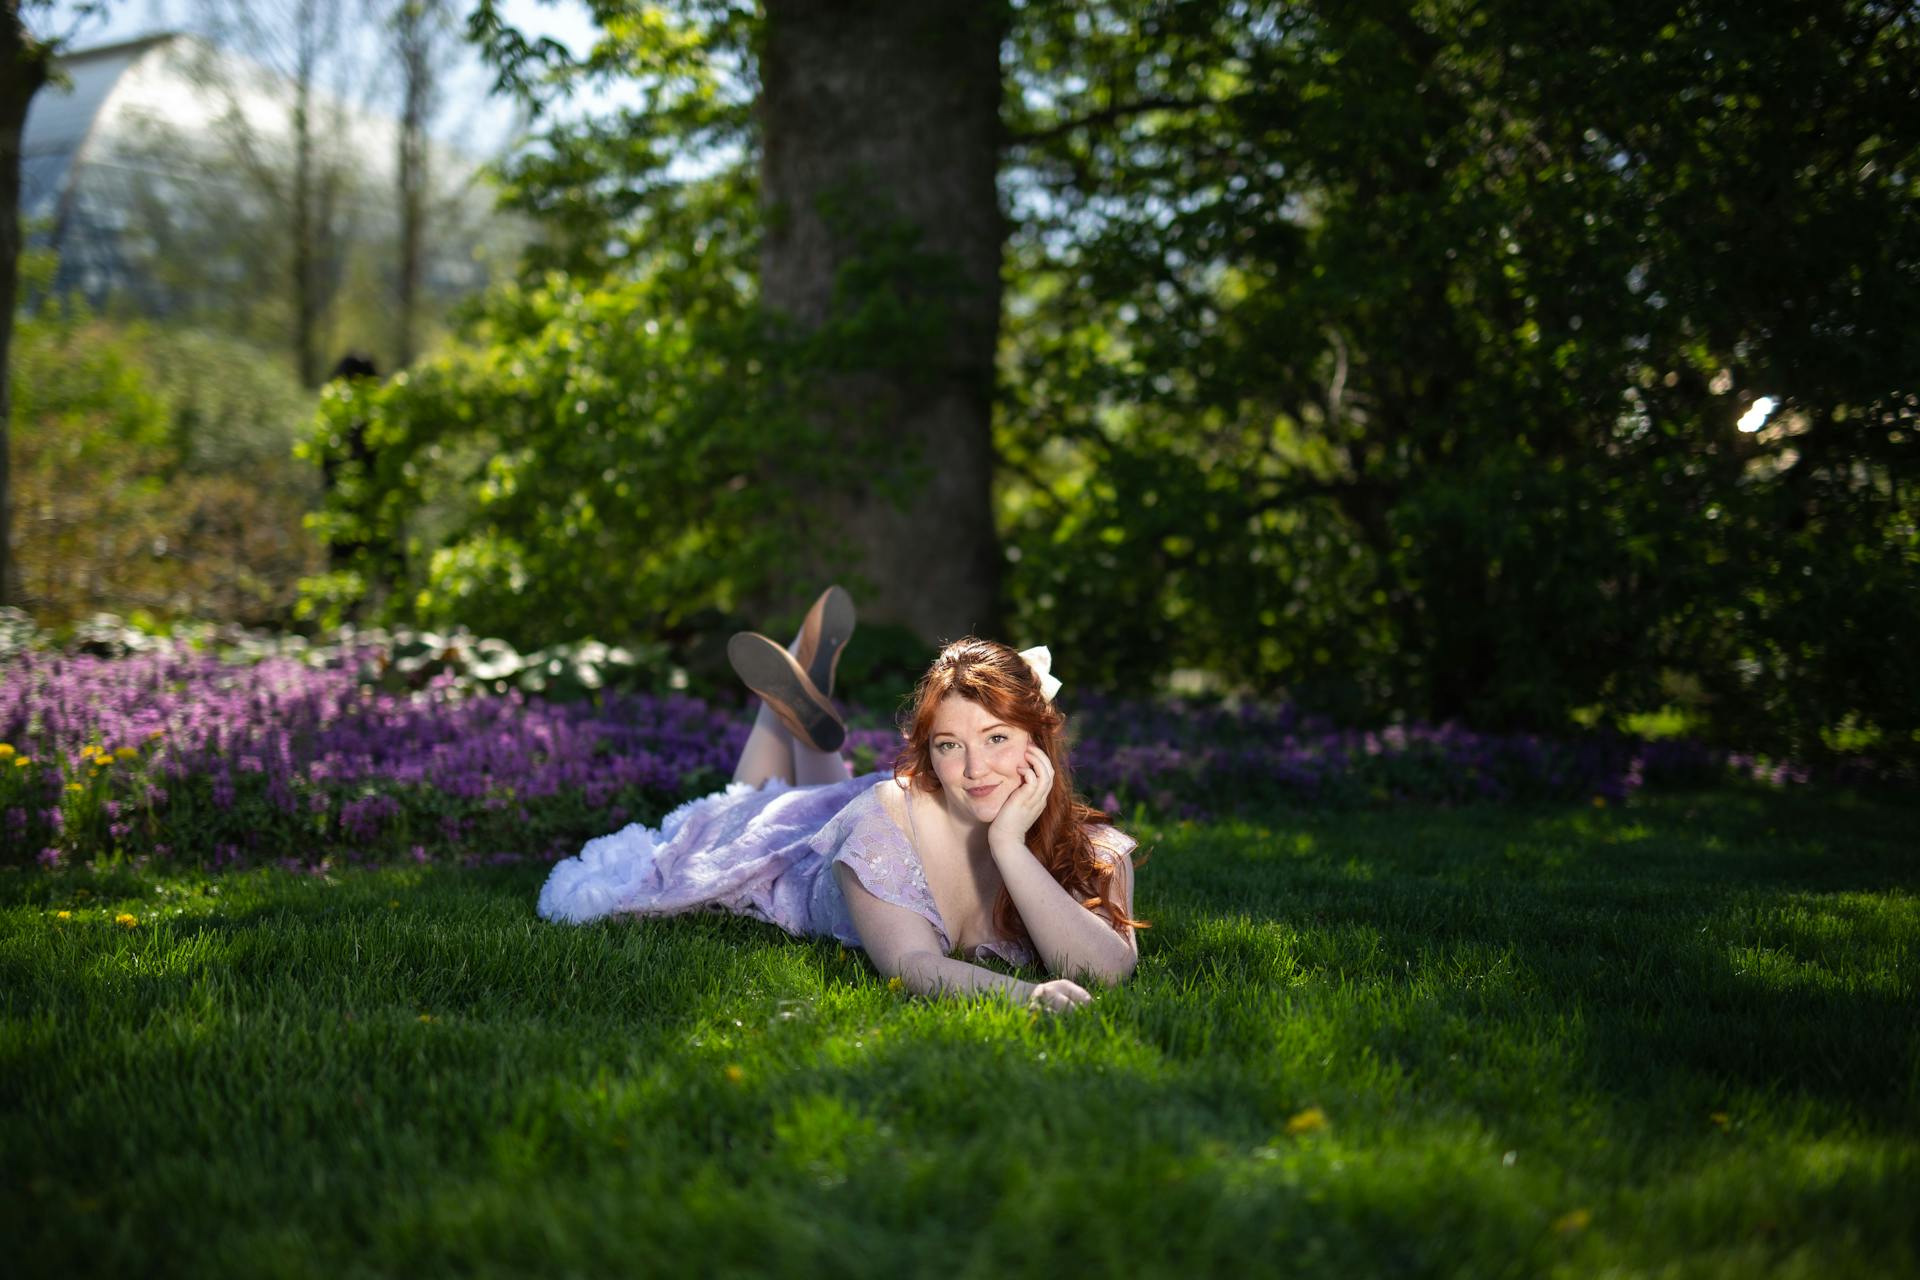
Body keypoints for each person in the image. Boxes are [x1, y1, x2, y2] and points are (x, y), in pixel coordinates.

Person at [536, 586, 1145, 1013]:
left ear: (1040, 739)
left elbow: (1106, 971)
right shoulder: (886, 822)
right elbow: (910, 965)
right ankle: (794, 696)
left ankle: (801, 688)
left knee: (802, 788)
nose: (976, 768)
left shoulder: (1089, 847)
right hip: (795, 846)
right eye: (949, 745)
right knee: (754, 800)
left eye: (997, 738)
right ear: (926, 752)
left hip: (837, 806)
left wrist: (1009, 846)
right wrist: (1026, 998)